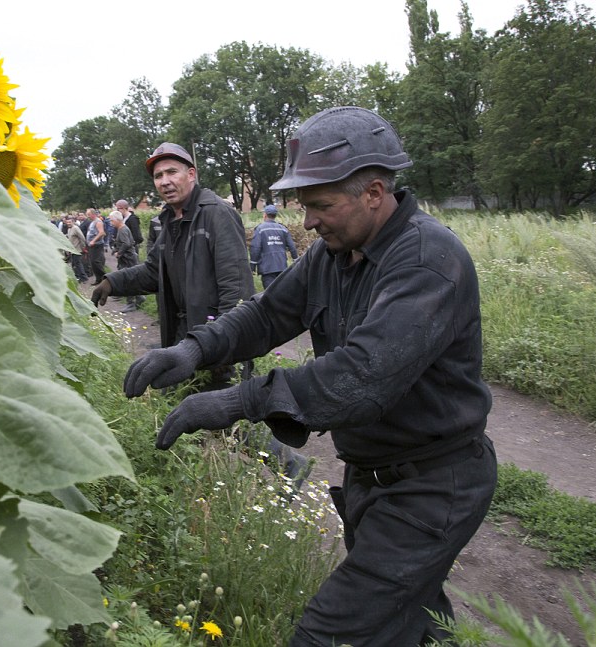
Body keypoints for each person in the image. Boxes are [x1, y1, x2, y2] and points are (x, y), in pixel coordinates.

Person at [121, 107, 497, 646]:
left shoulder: (425, 259)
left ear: (373, 192)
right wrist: (193, 349)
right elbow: (268, 314)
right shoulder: (332, 254)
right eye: (304, 207)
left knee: (329, 634)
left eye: (321, 206)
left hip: (433, 483)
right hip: (374, 476)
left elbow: (362, 375)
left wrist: (235, 402)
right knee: (412, 621)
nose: (310, 222)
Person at [91, 142, 254, 388]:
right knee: (186, 409)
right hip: (185, 335)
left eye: (172, 172)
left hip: (216, 339)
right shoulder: (170, 220)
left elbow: (237, 288)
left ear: (191, 174)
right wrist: (112, 282)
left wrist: (224, 346)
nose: (164, 181)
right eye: (158, 176)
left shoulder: (215, 213)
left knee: (221, 416)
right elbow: (154, 271)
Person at [249, 203, 299, 290]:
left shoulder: (260, 229)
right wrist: (296, 261)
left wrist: (252, 265)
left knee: (269, 294)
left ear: (265, 215)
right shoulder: (283, 229)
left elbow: (255, 248)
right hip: (282, 266)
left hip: (267, 268)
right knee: (281, 293)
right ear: (275, 215)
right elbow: (292, 247)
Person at [108, 210, 146, 313]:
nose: (111, 223)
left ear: (117, 220)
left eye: (111, 221)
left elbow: (127, 243)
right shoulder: (121, 229)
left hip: (128, 259)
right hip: (127, 258)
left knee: (127, 280)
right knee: (130, 279)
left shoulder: (123, 229)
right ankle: (139, 297)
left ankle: (131, 303)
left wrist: (119, 253)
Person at [64, 215, 89, 283]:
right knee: (74, 264)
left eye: (70, 222)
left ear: (73, 222)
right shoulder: (69, 229)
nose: (68, 223)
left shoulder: (76, 228)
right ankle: (77, 277)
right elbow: (69, 238)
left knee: (78, 264)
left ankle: (84, 278)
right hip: (72, 250)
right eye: (67, 222)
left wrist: (83, 247)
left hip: (77, 249)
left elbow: (82, 238)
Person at [85, 209, 107, 284]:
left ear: (93, 214)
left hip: (97, 245)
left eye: (88, 214)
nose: (87, 216)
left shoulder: (98, 222)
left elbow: (102, 233)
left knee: (96, 262)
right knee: (93, 263)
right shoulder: (93, 222)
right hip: (92, 245)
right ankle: (98, 279)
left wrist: (93, 241)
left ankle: (105, 278)